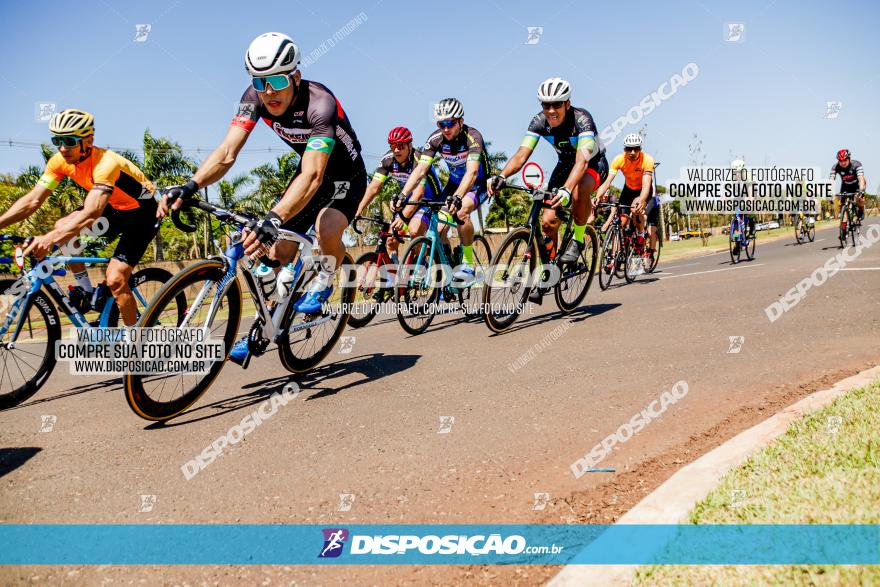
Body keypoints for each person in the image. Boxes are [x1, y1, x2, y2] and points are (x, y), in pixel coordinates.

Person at [157, 32, 367, 364]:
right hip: (309, 175)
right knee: (279, 251)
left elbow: (314, 174)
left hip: (345, 176)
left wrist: (275, 217)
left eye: (278, 80)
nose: (268, 91)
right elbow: (227, 152)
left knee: (326, 227)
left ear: (295, 76)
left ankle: (327, 276)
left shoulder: (319, 105)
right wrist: (191, 185)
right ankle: (263, 326)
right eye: (260, 81)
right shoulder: (253, 98)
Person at [0, 109, 158, 326]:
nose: (63, 148)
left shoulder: (106, 163)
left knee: (116, 279)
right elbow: (32, 201)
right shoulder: (59, 161)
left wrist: (50, 239)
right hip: (113, 208)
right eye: (57, 140)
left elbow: (92, 212)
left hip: (141, 213)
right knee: (62, 225)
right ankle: (85, 291)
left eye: (70, 141)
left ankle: (136, 344)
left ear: (88, 140)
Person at [487, 77, 608, 290]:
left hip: (592, 163)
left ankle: (578, 240)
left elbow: (582, 162)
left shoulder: (582, 119)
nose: (551, 110)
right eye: (546, 105)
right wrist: (502, 175)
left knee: (579, 191)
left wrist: (567, 190)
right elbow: (521, 155)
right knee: (548, 221)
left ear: (567, 104)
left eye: (557, 104)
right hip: (564, 165)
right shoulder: (538, 122)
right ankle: (551, 267)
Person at [396, 98, 490, 281]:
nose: (446, 128)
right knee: (437, 227)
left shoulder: (473, 137)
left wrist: (457, 197)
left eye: (450, 123)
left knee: (462, 211)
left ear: (460, 121)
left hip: (477, 183)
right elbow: (420, 169)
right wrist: (403, 194)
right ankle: (449, 266)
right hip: (454, 185)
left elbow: (471, 173)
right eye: (441, 124)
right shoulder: (436, 139)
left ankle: (469, 263)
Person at [355, 126, 443, 262]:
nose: (396, 150)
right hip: (408, 199)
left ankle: (421, 266)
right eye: (393, 146)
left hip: (428, 200)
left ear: (410, 145)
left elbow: (419, 193)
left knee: (414, 230)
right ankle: (396, 279)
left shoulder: (419, 160)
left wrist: (403, 217)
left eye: (401, 146)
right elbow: (374, 187)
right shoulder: (388, 159)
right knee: (390, 241)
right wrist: (358, 209)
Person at [594, 134, 655, 254]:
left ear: (640, 149)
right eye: (629, 149)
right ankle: (616, 254)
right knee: (620, 222)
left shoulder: (648, 160)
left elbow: (647, 185)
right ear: (624, 149)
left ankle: (641, 233)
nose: (632, 152)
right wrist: (597, 196)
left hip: (643, 190)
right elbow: (607, 182)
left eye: (636, 148)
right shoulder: (618, 160)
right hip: (628, 189)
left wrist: (642, 200)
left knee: (635, 208)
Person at [829, 149, 866, 223]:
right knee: (843, 206)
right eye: (840, 161)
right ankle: (843, 230)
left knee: (859, 197)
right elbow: (831, 181)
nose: (843, 163)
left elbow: (861, 179)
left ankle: (861, 210)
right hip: (846, 186)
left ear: (849, 159)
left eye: (845, 160)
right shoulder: (835, 167)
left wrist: (861, 190)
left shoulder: (857, 164)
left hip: (857, 184)